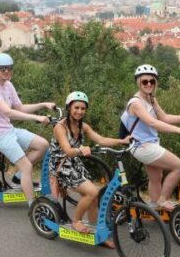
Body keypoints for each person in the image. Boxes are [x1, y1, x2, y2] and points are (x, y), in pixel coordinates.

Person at [49, 91, 130, 246]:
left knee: (93, 197)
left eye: (83, 108)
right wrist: (81, 150)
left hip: (74, 163)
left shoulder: (83, 126)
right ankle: (76, 220)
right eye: (76, 108)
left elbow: (101, 139)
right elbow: (67, 150)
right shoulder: (60, 127)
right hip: (61, 166)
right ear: (68, 108)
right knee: (92, 192)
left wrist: (122, 140)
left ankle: (98, 232)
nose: (79, 111)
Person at [0, 52, 55, 206]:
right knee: (27, 166)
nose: (7, 71)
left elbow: (20, 107)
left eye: (9, 68)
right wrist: (37, 118)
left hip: (9, 130)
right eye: (3, 69)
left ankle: (19, 176)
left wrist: (43, 104)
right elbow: (8, 112)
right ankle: (33, 205)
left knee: (43, 145)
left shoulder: (8, 85)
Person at [120, 64, 180, 212]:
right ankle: (163, 200)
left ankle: (155, 208)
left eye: (152, 81)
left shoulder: (151, 99)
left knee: (156, 177)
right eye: (145, 81)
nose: (149, 84)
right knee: (178, 166)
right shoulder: (136, 103)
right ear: (138, 82)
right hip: (143, 146)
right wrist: (178, 130)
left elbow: (164, 117)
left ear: (155, 82)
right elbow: (152, 122)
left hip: (147, 144)